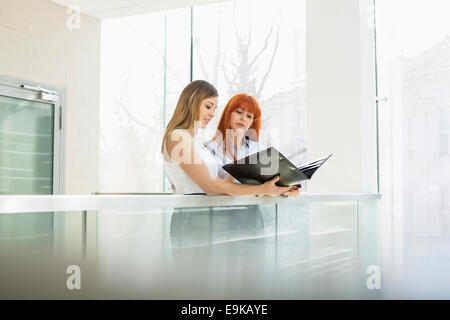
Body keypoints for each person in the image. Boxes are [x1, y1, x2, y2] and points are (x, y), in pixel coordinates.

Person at [161, 80, 299, 197]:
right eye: (208, 107)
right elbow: (210, 187)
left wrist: (278, 187)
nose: (212, 114)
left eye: (214, 109)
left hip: (205, 218)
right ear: (192, 102)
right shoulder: (178, 137)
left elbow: (221, 185)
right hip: (189, 220)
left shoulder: (195, 142)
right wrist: (262, 189)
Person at [205, 93, 266, 181]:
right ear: (228, 114)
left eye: (249, 116)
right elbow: (215, 186)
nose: (243, 118)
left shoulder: (259, 149)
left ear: (252, 122)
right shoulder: (209, 149)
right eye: (239, 112)